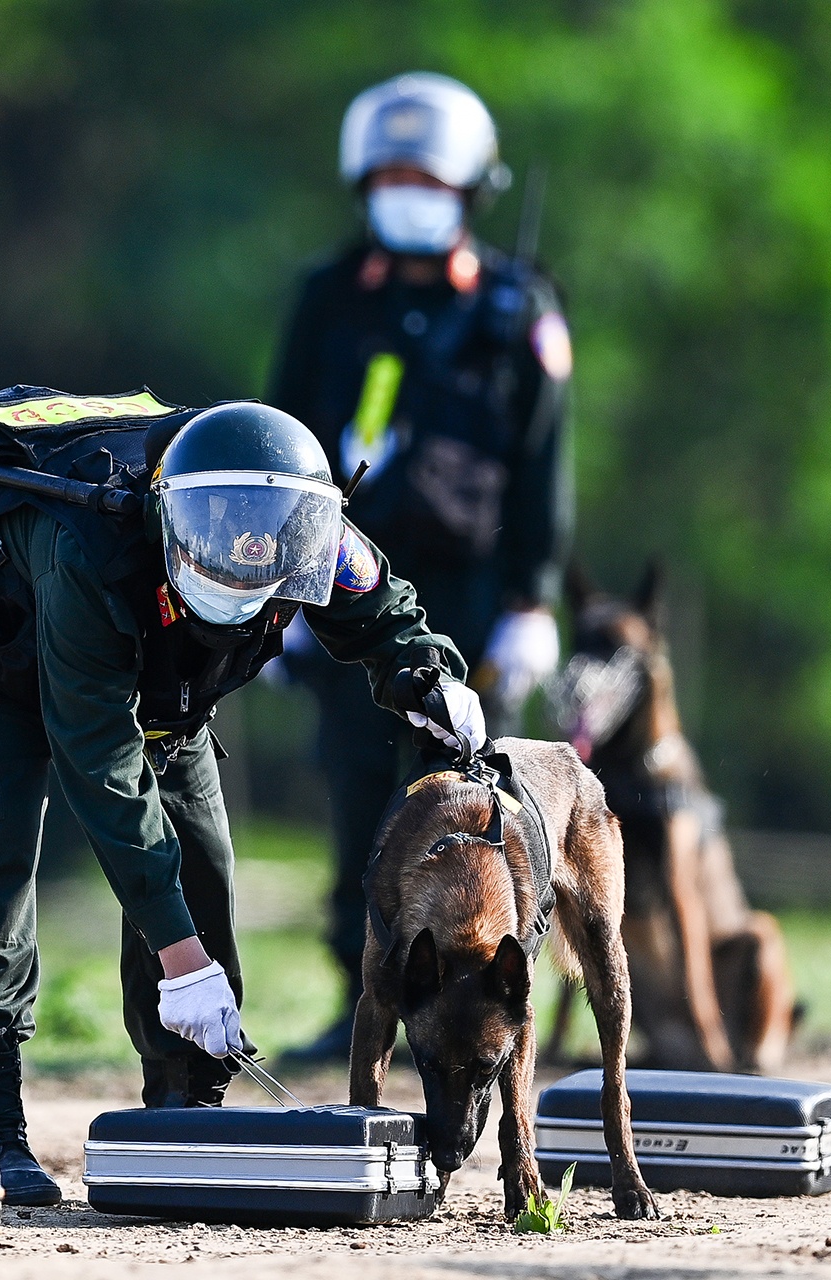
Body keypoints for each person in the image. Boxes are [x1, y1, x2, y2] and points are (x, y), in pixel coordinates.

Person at [0, 391, 482, 1205]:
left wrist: (428, 676)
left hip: (159, 655)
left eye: (262, 555)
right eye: (219, 546)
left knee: (200, 858)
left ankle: (186, 1101)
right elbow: (102, 769)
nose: (241, 558)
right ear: (170, 518)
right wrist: (181, 961)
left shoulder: (305, 525)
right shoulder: (90, 553)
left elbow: (385, 612)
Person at [269, 72, 574, 1061]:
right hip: (343, 592)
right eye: (391, 176)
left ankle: (470, 992)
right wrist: (271, 589)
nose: (409, 193)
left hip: (472, 598)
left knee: (463, 807)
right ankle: (359, 998)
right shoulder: (327, 299)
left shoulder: (518, 308)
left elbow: (542, 465)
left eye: (428, 177)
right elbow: (282, 440)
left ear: (470, 189)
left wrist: (534, 596)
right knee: (360, 803)